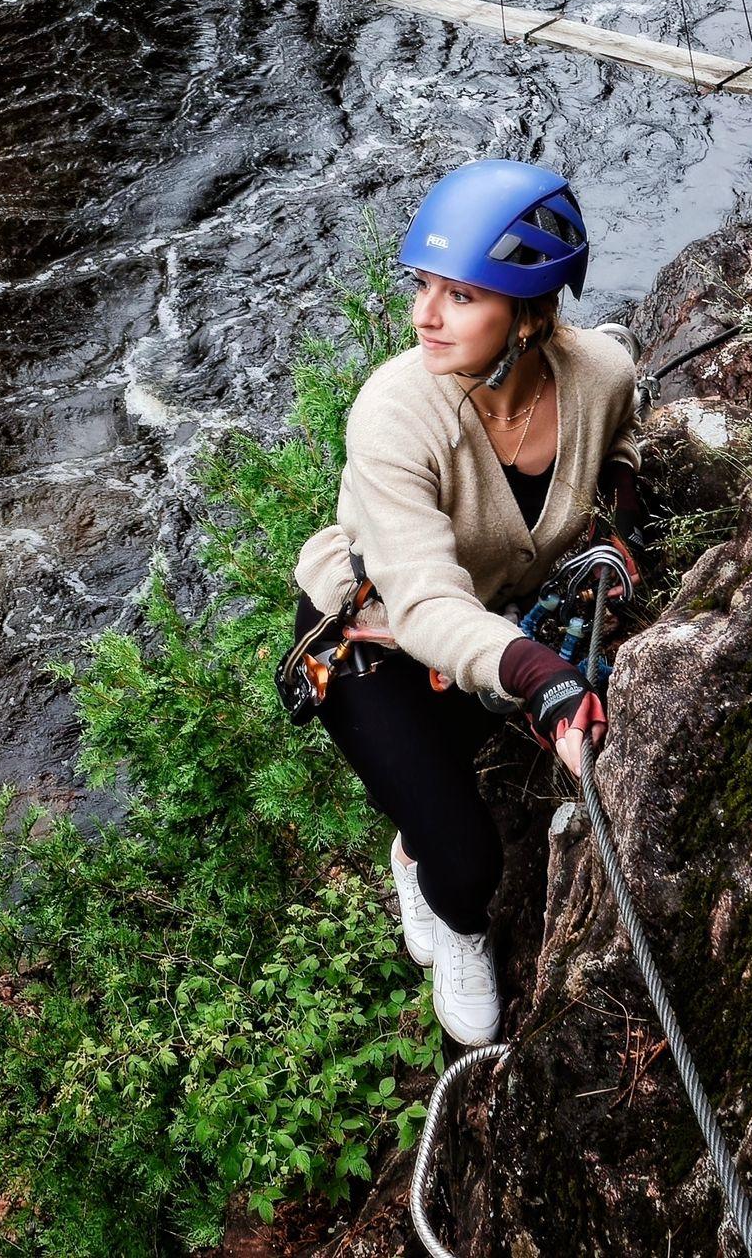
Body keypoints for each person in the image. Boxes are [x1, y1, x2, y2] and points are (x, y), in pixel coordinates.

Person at [286, 159, 644, 1045]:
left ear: (531, 314)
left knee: (447, 789)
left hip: (494, 629)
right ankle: (449, 912)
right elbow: (424, 604)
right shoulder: (395, 413)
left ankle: (420, 838)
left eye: (460, 296)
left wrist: (622, 523)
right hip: (374, 636)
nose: (423, 316)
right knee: (467, 860)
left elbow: (624, 434)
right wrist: (543, 675)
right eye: (423, 287)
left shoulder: (596, 373)